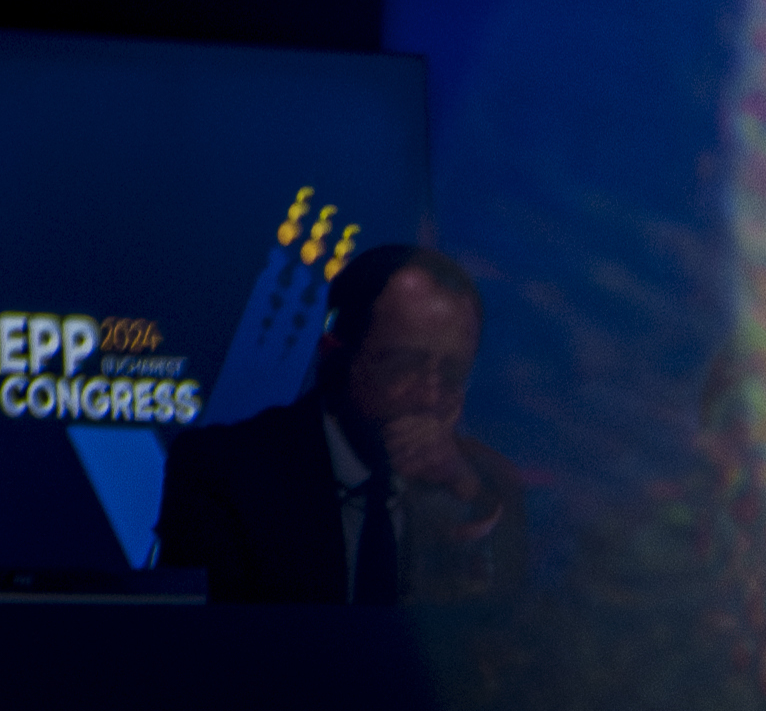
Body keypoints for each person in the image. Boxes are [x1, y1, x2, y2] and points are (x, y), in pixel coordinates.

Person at [155, 244, 523, 604]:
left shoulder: (483, 485)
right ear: (336, 355)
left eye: (453, 375)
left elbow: (501, 630)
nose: (430, 397)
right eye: (404, 367)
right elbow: (219, 637)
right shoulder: (222, 473)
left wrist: (464, 495)